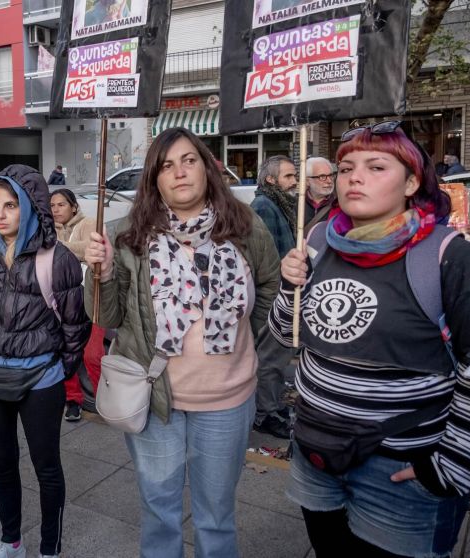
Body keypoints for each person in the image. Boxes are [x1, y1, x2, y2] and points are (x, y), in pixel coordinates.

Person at [273, 122, 470, 558]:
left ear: (413, 181)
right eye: (345, 168)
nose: (353, 177)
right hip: (316, 455)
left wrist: (450, 464)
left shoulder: (451, 256)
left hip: (401, 470)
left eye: (375, 166)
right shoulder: (319, 239)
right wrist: (290, 285)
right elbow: (287, 336)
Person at [84, 127, 280, 558]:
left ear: (207, 168)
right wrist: (99, 274)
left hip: (227, 400)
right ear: (154, 178)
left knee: (215, 516)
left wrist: (247, 338)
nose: (179, 173)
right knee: (160, 513)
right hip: (156, 402)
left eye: (189, 160)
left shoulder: (247, 228)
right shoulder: (127, 236)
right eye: (167, 165)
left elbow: (269, 287)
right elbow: (106, 316)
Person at [0, 164, 91, 558]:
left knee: (46, 468)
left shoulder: (57, 259)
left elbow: (76, 325)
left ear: (31, 206)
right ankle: (11, 542)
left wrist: (60, 371)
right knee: (2, 463)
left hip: (40, 380)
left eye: (11, 205)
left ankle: (49, 548)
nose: (0, 214)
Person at [249, 155, 299, 440]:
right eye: (289, 176)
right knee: (270, 357)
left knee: (278, 357)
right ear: (271, 179)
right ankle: (265, 413)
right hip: (274, 296)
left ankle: (273, 405)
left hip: (283, 293)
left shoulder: (281, 204)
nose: (294, 182)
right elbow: (264, 258)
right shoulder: (264, 206)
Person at [48, 188, 96, 422]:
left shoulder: (89, 222)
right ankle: (72, 400)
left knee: (91, 354)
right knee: (64, 350)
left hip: (90, 299)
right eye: (52, 206)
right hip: (59, 300)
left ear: (74, 206)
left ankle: (103, 399)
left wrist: (61, 248)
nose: (56, 210)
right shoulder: (48, 230)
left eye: (61, 205)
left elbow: (93, 249)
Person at [304, 157, 335, 226]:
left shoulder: (339, 203)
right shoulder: (296, 204)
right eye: (322, 176)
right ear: (308, 181)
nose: (329, 181)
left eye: (331, 175)